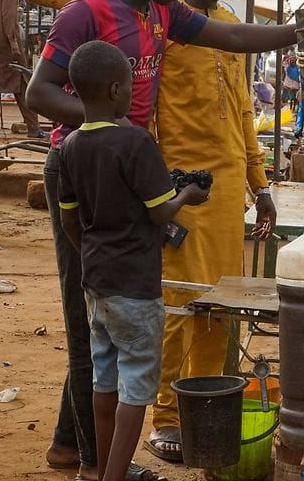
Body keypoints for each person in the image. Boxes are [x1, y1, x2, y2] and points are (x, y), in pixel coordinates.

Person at [25, 0, 304, 481]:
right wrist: (110, 125)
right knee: (92, 311)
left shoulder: (161, 13)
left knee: (104, 310)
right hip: (84, 166)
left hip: (126, 166)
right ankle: (96, 462)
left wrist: (303, 34)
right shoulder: (87, 13)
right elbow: (39, 92)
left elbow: (233, 37)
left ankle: (73, 449)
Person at [145, 0, 276, 462]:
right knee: (179, 301)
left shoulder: (228, 28)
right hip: (178, 190)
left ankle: (208, 404)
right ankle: (167, 415)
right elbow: (146, 109)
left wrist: (259, 184)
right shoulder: (162, 26)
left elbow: (245, 110)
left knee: (222, 305)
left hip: (227, 195)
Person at [57, 39, 210, 481]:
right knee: (137, 388)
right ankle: (114, 477)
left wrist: (92, 253)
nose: (133, 91)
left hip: (97, 281)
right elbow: (160, 212)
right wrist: (188, 194)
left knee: (103, 379)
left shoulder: (68, 147)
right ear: (112, 90)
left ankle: (104, 468)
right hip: (136, 286)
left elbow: (71, 221)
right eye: (128, 84)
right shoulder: (135, 142)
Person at [0, 0, 46, 138]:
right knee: (20, 83)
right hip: (6, 44)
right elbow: (8, 17)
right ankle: (33, 128)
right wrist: (14, 46)